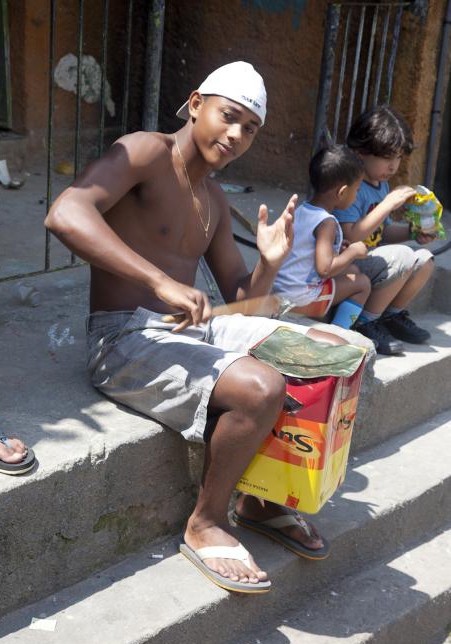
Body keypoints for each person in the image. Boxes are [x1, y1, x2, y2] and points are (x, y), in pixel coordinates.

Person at [46, 61, 362, 594]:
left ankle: (264, 500)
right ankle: (206, 521)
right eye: (228, 117)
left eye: (250, 129)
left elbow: (245, 304)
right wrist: (159, 281)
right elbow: (65, 214)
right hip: (124, 338)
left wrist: (268, 262)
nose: (237, 136)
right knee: (262, 387)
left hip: (190, 333)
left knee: (331, 350)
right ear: (196, 104)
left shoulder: (213, 197)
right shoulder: (146, 151)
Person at [333, 105, 435, 355]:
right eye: (388, 158)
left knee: (424, 260)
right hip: (349, 267)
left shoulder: (381, 184)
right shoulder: (350, 185)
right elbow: (351, 236)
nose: (394, 166)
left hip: (375, 263)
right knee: (402, 256)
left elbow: (382, 233)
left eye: (399, 157)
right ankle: (365, 322)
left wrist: (413, 233)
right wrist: (388, 203)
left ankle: (391, 316)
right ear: (360, 153)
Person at [273, 145, 371, 330]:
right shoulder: (327, 223)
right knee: (362, 283)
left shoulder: (302, 210)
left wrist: (339, 250)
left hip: (280, 290)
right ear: (342, 192)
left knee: (353, 270)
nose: (357, 195)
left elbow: (305, 250)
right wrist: (352, 252)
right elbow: (324, 269)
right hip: (299, 300)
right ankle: (340, 331)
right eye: (357, 190)